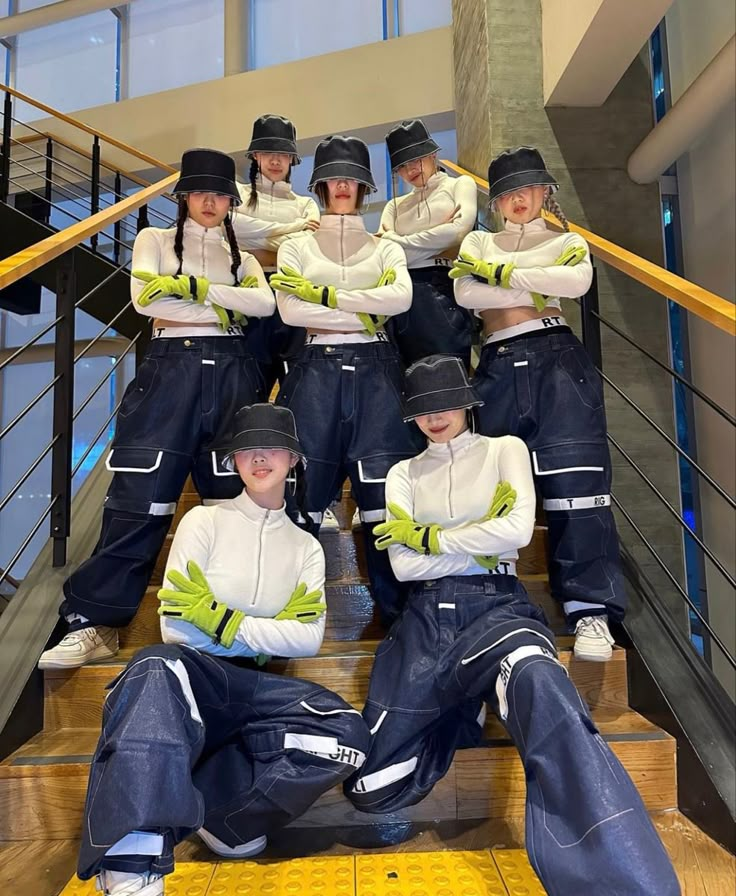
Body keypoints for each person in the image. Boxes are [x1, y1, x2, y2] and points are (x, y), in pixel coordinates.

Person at [345, 355, 680, 896]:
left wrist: (431, 538)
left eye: (446, 403)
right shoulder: (402, 473)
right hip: (425, 621)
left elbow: (519, 532)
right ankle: (462, 710)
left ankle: (621, 880)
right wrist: (480, 537)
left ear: (466, 403)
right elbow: (404, 567)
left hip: (498, 607)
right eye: (424, 409)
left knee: (546, 690)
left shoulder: (506, 450)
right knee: (372, 787)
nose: (435, 417)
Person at [75, 403, 371, 896]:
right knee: (153, 663)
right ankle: (130, 862)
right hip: (195, 675)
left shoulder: (306, 547)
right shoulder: (202, 523)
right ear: (233, 461)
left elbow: (306, 639)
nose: (259, 458)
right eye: (247, 450)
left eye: (271, 448)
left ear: (292, 459)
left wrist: (220, 617)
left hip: (257, 686)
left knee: (348, 732)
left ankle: (225, 817)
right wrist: (266, 624)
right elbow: (176, 629)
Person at [39, 149, 275, 670]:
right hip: (169, 367)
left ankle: (234, 623)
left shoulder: (247, 258)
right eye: (201, 192)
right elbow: (147, 300)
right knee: (138, 498)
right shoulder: (154, 240)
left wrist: (190, 289)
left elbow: (263, 305)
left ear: (232, 202)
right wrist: (223, 298)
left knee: (233, 505)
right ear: (184, 197)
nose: (211, 202)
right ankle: (97, 624)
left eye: (220, 194)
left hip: (234, 371)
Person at [452, 146, 625, 661]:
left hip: (558, 360)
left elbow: (575, 282)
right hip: (499, 364)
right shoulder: (478, 239)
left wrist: (501, 275)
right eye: (505, 192)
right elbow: (466, 294)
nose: (517, 199)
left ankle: (590, 611)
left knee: (578, 487)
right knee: (492, 485)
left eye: (526, 188)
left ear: (546, 191)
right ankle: (494, 603)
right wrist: (533, 276)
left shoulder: (566, 239)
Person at [271, 134, 424, 626]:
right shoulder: (296, 244)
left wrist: (326, 297)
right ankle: (286, 612)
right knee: (302, 495)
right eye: (334, 178)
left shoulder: (386, 245)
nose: (343, 185)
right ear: (319, 185)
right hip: (313, 370)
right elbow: (292, 310)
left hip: (379, 371)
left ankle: (400, 618)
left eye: (352, 179)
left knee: (384, 500)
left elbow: (399, 299)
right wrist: (363, 303)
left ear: (364, 187)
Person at [231, 114, 320, 399]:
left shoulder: (306, 203)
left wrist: (255, 245)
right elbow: (232, 230)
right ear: (255, 155)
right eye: (268, 152)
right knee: (245, 391)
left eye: (283, 154)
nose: (275, 160)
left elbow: (307, 249)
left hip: (292, 295)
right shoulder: (237, 196)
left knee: (299, 393)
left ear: (292, 159)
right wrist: (293, 230)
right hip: (247, 295)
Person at [380, 119, 476, 367]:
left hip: (443, 286)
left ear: (432, 153)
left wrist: (400, 241)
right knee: (406, 381)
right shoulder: (394, 205)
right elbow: (385, 252)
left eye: (416, 158)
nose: (410, 169)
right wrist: (437, 236)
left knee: (451, 378)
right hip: (401, 290)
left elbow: (458, 232)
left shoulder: (460, 184)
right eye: (402, 165)